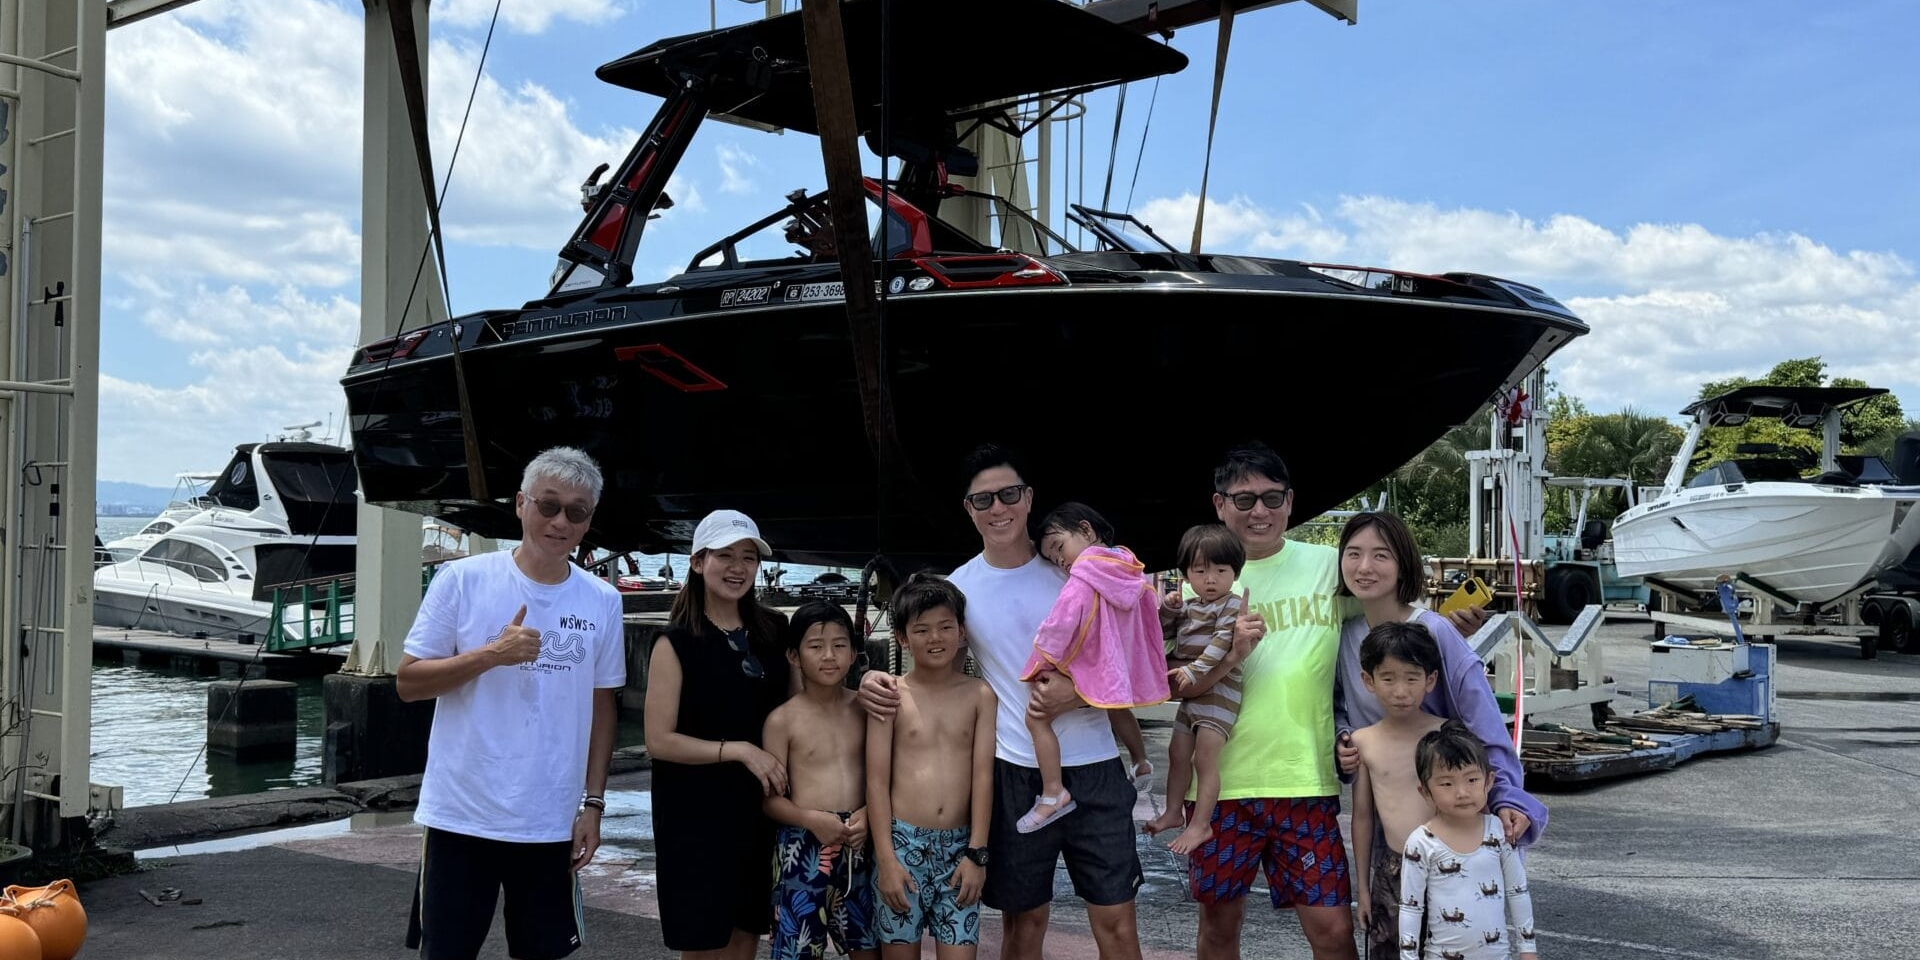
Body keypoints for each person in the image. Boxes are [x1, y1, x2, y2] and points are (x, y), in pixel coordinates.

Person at [1186, 442, 1490, 960]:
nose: (1259, 511)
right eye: (1243, 500)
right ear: (1219, 505)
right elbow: (1180, 687)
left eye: (1271, 497)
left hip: (1306, 781)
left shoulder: (1331, 565)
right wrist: (1229, 654)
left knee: (1332, 932)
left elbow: (1387, 603)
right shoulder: (1201, 583)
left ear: (1290, 502)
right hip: (1220, 785)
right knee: (1218, 928)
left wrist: (1445, 623)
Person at [859, 445, 1145, 960]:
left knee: (1118, 923)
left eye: (1009, 494)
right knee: (1025, 923)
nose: (998, 508)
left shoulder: (1077, 571)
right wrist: (870, 679)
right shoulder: (957, 591)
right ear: (968, 509)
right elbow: (924, 652)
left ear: (1029, 498)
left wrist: (1077, 693)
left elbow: (1131, 656)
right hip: (1016, 770)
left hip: (1096, 765)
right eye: (983, 499)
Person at [398, 446, 626, 960]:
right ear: (521, 504)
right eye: (548, 505)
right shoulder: (462, 579)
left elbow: (603, 707)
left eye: (577, 511)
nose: (560, 520)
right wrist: (491, 654)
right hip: (462, 816)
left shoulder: (603, 600)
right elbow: (409, 683)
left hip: (550, 819)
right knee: (447, 951)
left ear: (589, 521)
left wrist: (593, 805)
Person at [1330, 511, 1546, 850]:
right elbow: (1338, 705)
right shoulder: (1343, 637)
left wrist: (1508, 798)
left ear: (1404, 564)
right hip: (1390, 822)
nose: (1364, 567)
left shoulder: (1436, 632)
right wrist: (1343, 736)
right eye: (1353, 553)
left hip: (1451, 819)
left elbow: (1485, 723)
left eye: (1381, 555)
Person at [644, 509, 796, 960]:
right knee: (704, 940)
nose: (738, 568)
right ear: (697, 562)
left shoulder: (774, 631)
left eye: (748, 557)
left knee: (746, 934)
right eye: (724, 555)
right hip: (695, 814)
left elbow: (801, 706)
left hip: (758, 808)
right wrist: (741, 751)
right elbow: (659, 740)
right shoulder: (674, 642)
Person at [1016, 502, 1170, 834]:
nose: (1063, 561)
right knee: (1116, 708)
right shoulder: (1131, 568)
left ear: (1086, 529)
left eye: (1060, 548)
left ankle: (1053, 792)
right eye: (1055, 559)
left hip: (1096, 661)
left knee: (1036, 716)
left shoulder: (1084, 575)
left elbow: (1061, 624)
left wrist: (1040, 658)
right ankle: (1141, 761)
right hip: (1122, 663)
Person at [865, 573, 996, 959]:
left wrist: (977, 854)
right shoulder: (890, 695)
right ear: (903, 638)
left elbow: (983, 776)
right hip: (902, 846)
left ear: (962, 632)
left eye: (945, 627)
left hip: (961, 849)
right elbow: (876, 782)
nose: (935, 638)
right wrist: (886, 860)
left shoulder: (980, 695)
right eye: (921, 630)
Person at [763, 601, 877, 960]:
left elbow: (889, 776)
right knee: (797, 950)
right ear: (794, 656)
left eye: (840, 645)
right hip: (802, 847)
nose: (829, 656)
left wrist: (869, 814)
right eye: (815, 646)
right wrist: (810, 818)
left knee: (869, 946)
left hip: (862, 841)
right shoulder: (782, 721)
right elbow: (770, 799)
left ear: (854, 652)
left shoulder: (867, 709)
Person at [1141, 523, 1248, 856]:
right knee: (1176, 754)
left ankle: (1201, 823)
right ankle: (1173, 812)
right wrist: (1170, 609)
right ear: (1186, 575)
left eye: (1220, 570)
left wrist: (1193, 669)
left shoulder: (1231, 605)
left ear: (1235, 573)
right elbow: (1161, 632)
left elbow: (1220, 643)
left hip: (1219, 694)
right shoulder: (1190, 605)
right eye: (1201, 571)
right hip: (1193, 696)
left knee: (1204, 759)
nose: (1211, 578)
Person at [1347, 621, 1448, 960]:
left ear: (1430, 681)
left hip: (1446, 866)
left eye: (1411, 678)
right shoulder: (1364, 742)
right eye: (1388, 678)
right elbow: (1362, 818)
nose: (1400, 691)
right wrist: (1362, 889)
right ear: (1368, 681)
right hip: (1391, 871)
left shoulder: (1447, 735)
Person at [1396, 723, 1539, 960]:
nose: (1462, 792)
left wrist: (1528, 949)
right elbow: (1411, 907)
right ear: (1426, 792)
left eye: (1472, 779)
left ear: (1489, 780)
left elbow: (1518, 892)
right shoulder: (1420, 843)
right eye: (1446, 783)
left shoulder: (1500, 832)